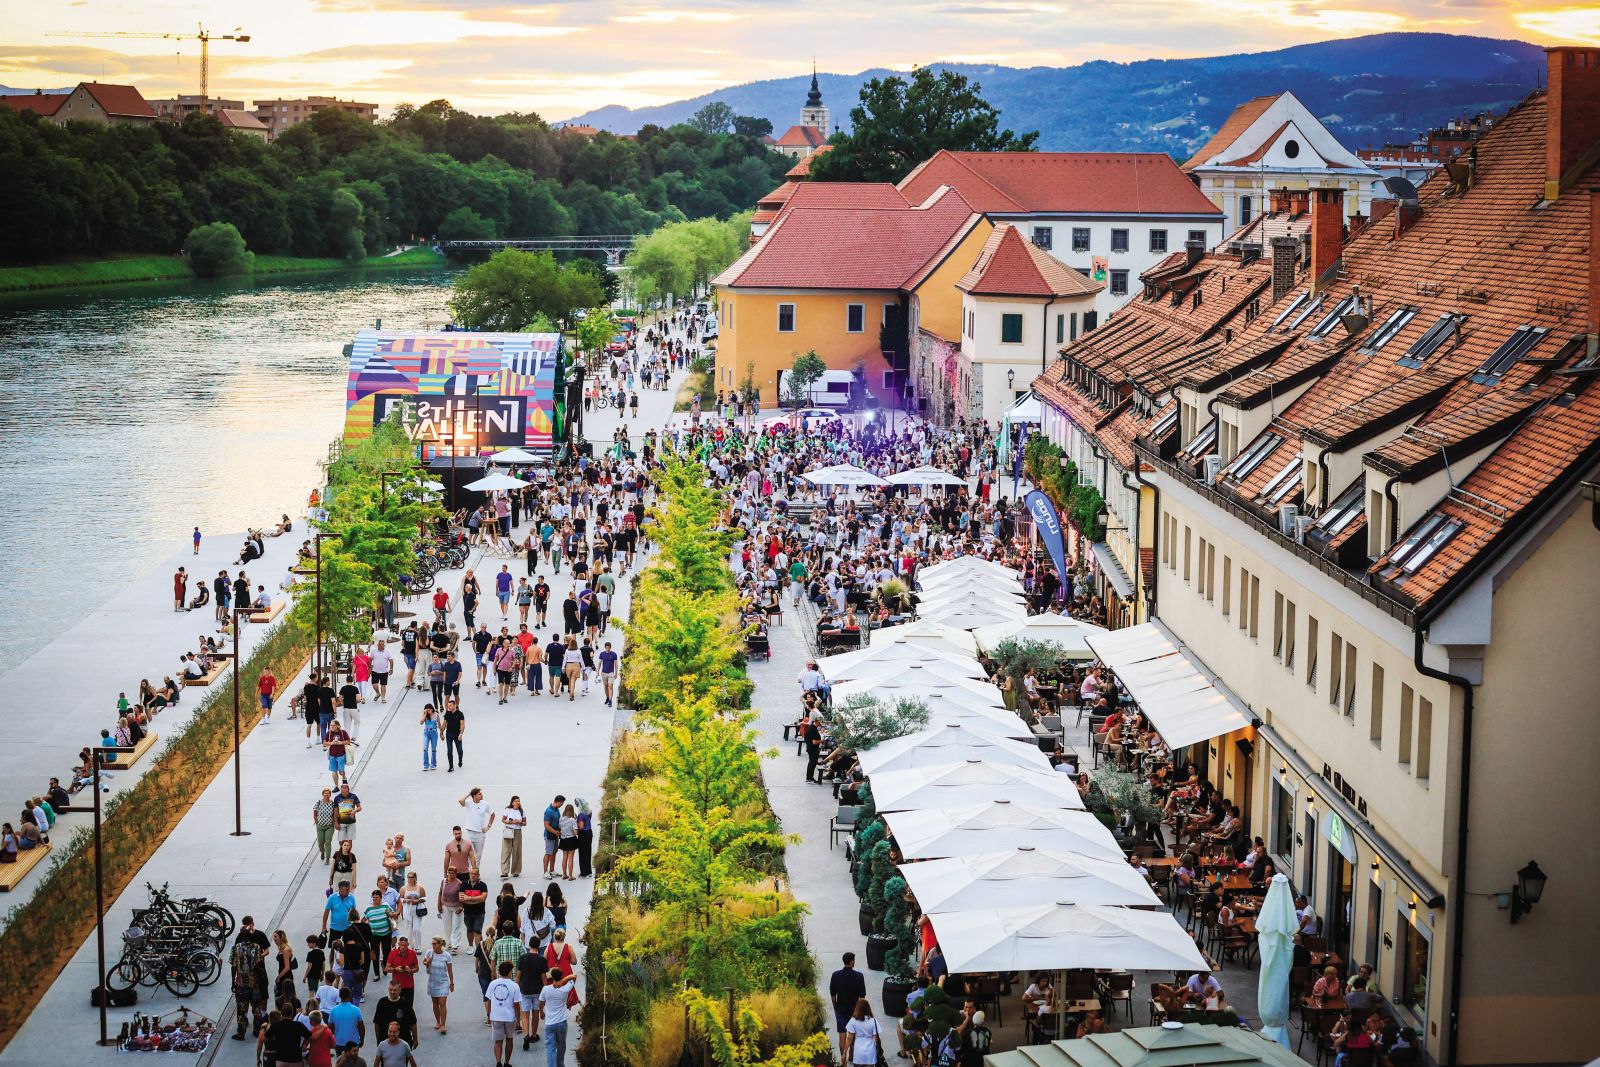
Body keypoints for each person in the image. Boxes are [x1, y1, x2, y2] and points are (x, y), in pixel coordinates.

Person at [231, 916, 272, 1040]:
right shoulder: (257, 948)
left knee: (241, 1008)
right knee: (256, 1008)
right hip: (255, 983)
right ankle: (256, 1030)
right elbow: (259, 964)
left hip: (241, 984)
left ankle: (241, 1032)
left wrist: (233, 981)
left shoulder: (235, 948)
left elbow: (233, 966)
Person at [536, 968, 578, 1067]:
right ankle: (560, 1064)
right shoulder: (566, 989)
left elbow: (541, 1002)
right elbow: (574, 976)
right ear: (561, 976)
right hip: (562, 1022)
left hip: (549, 1023)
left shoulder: (546, 989)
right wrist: (563, 982)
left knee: (550, 1048)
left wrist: (541, 1012)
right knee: (561, 1046)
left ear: (552, 977)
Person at [829, 952, 868, 1056]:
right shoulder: (859, 976)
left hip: (840, 1009)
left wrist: (835, 1006)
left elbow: (833, 994)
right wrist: (859, 1010)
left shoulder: (836, 975)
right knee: (853, 1034)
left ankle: (843, 1058)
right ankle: (851, 1054)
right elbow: (862, 997)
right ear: (851, 962)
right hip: (854, 1010)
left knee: (842, 1035)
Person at [422, 936, 454, 1034]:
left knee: (442, 1003)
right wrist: (427, 963)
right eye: (432, 944)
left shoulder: (447, 956)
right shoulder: (429, 953)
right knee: (435, 1003)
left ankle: (443, 1025)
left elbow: (450, 971)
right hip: (433, 981)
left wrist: (451, 983)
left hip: (443, 982)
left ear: (440, 944)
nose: (433, 946)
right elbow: (424, 962)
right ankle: (438, 1022)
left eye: (435, 944)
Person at [844, 998, 883, 1067]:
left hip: (858, 1051)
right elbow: (876, 1039)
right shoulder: (873, 1021)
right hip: (870, 1051)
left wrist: (844, 1052)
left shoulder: (853, 1021)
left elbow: (849, 1039)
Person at [500, 795, 527, 879]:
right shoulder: (508, 810)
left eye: (518, 801)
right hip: (508, 830)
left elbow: (525, 823)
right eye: (516, 801)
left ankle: (516, 871)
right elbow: (503, 820)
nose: (517, 802)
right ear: (512, 803)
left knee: (517, 851)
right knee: (506, 851)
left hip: (517, 832)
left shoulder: (522, 811)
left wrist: (519, 822)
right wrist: (510, 821)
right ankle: (504, 871)